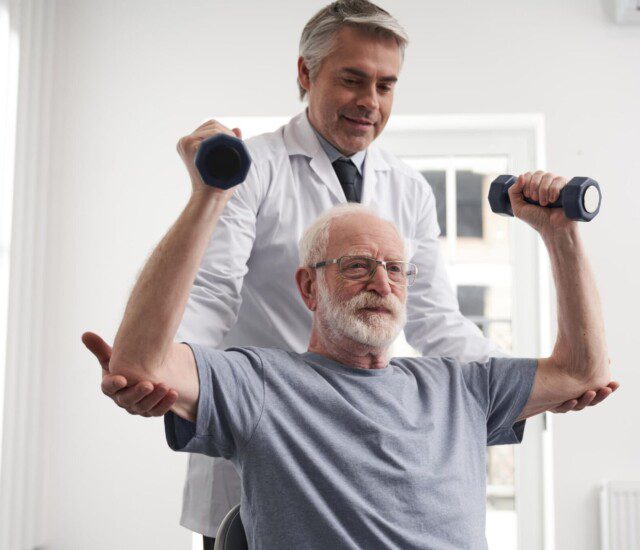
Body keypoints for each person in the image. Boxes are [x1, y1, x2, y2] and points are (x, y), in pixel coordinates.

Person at [84, 0, 617, 547]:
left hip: (365, 433)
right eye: (353, 80)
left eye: (386, 86)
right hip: (269, 430)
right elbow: (211, 295)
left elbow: (436, 320)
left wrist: (531, 385)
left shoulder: (408, 187)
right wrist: (166, 376)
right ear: (305, 73)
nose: (370, 102)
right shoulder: (253, 167)